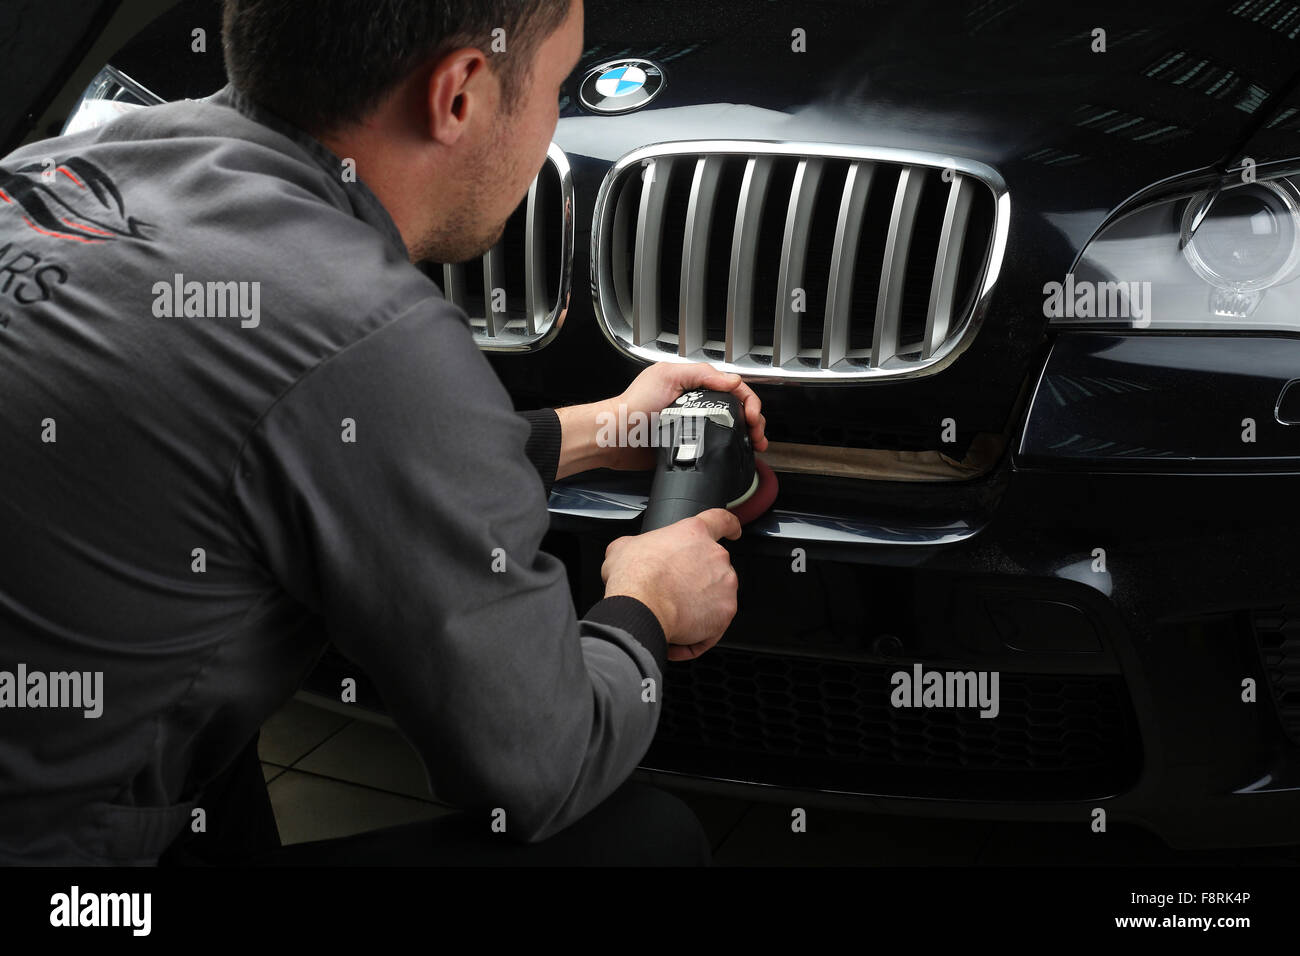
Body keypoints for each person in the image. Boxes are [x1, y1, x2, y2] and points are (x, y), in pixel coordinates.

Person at [0, 0, 767, 865]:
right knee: (643, 846)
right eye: (557, 88)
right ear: (459, 95)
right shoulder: (364, 324)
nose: (554, 116)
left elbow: (297, 437)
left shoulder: (55, 166)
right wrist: (646, 603)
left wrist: (599, 429)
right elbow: (545, 768)